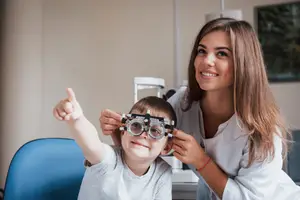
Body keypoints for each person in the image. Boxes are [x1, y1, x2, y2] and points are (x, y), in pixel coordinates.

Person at [100, 17, 300, 200]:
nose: (206, 61)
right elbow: (149, 143)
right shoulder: (183, 102)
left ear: (243, 63)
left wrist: (201, 161)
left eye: (222, 54)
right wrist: (122, 134)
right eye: (202, 51)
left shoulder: (263, 129)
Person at [53, 88, 177, 200]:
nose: (143, 134)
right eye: (136, 125)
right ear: (123, 130)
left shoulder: (162, 172)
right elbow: (92, 145)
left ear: (166, 147)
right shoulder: (109, 160)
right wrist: (77, 119)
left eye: (155, 131)